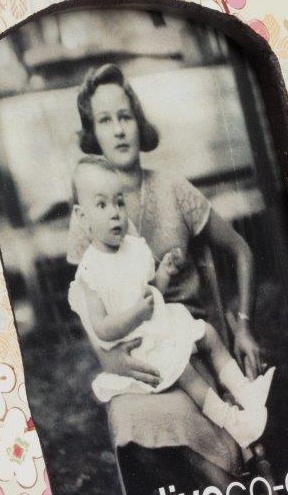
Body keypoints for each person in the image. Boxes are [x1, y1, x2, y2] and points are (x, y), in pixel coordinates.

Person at [67, 62, 288, 495]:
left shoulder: (171, 188)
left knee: (205, 463)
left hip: (190, 345)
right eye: (104, 120)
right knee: (144, 426)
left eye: (125, 116)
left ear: (138, 121)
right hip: (139, 362)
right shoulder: (89, 208)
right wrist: (110, 361)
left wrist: (241, 324)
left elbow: (240, 249)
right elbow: (90, 308)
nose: (118, 129)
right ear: (92, 133)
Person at [69, 155, 275, 449]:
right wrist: (136, 315)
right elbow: (101, 327)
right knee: (185, 371)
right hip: (140, 348)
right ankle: (233, 423)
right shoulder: (91, 271)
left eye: (119, 202)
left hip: (159, 326)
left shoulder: (133, 248)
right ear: (81, 217)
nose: (115, 213)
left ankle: (247, 393)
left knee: (208, 333)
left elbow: (152, 291)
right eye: (102, 205)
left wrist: (164, 273)